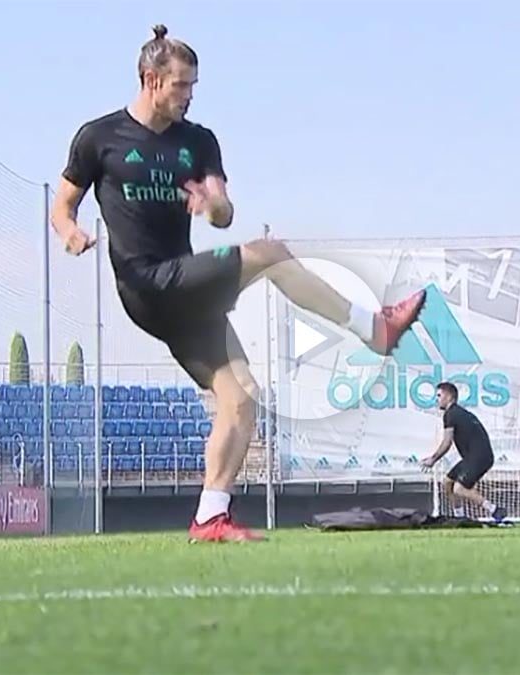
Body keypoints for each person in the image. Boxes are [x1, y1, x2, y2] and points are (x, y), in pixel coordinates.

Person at [50, 24, 427, 542]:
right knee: (271, 254)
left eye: (193, 86)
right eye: (180, 85)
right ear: (149, 78)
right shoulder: (99, 137)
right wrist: (70, 233)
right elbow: (63, 205)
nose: (188, 96)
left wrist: (214, 205)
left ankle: (210, 515)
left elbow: (224, 214)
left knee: (242, 398)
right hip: (147, 283)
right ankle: (373, 329)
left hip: (186, 289)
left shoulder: (198, 141)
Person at [420, 382, 509, 523]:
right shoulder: (459, 413)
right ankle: (459, 517)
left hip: (479, 457)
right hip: (474, 457)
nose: (436, 399)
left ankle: (494, 510)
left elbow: (447, 442)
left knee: (459, 489)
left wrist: (433, 459)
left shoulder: (450, 414)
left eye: (439, 395)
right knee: (448, 482)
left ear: (449, 396)